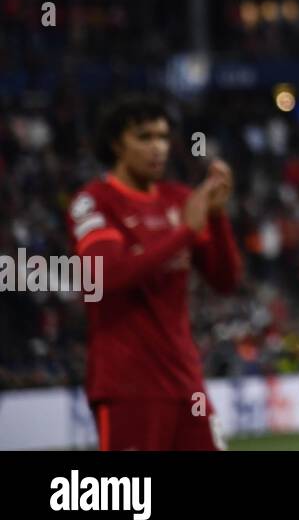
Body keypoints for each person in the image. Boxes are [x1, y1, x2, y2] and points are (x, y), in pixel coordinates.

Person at [68, 95, 242, 450]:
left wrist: (218, 218)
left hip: (186, 383)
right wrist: (184, 234)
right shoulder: (95, 201)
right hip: (128, 387)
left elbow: (226, 281)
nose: (158, 148)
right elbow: (105, 276)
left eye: (163, 137)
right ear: (117, 144)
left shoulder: (178, 199)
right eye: (144, 137)